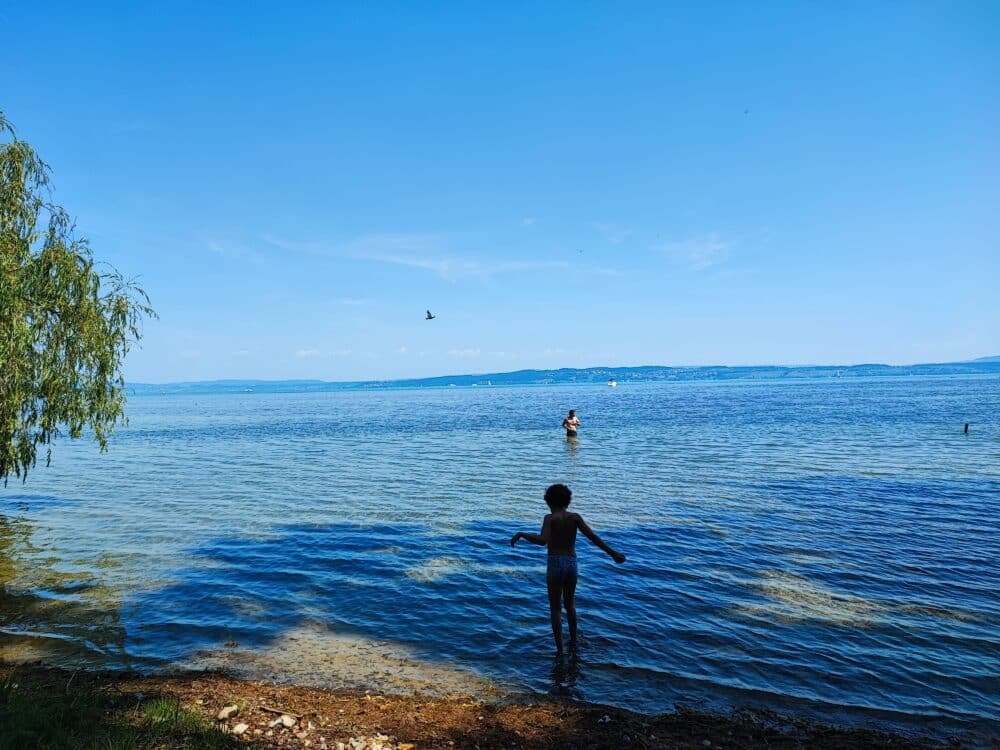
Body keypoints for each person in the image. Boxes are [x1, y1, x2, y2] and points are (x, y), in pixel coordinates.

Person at [510, 483, 626, 654]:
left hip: (555, 563)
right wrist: (613, 553)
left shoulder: (549, 519)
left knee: (555, 608)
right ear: (567, 501)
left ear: (548, 502)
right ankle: (573, 641)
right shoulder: (575, 517)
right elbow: (593, 537)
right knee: (570, 605)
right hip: (572, 563)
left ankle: (560, 650)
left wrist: (522, 534)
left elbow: (543, 541)